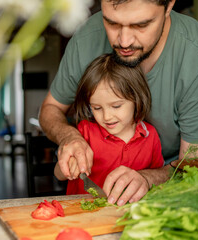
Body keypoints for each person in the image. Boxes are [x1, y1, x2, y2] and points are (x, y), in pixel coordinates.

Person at [39, 0, 198, 206]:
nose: (124, 42)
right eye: (111, 22)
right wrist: (69, 137)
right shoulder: (86, 37)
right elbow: (50, 109)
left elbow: (197, 162)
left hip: (162, 195)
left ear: (169, 6)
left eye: (141, 25)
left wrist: (148, 178)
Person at [54, 53, 164, 196]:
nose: (106, 117)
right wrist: (68, 166)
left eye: (116, 106)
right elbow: (58, 174)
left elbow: (158, 179)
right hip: (82, 215)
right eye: (97, 108)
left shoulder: (150, 135)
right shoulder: (84, 132)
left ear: (137, 99)